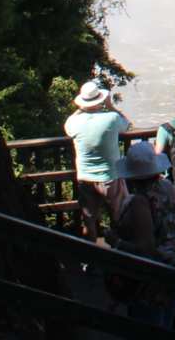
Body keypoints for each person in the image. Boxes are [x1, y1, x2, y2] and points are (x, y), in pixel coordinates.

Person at [107, 142, 175, 328]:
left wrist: (116, 242)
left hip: (152, 282)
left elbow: (145, 249)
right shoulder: (169, 188)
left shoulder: (140, 202)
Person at [64, 80, 130, 242]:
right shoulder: (112, 118)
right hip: (110, 176)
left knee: (89, 220)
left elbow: (67, 126)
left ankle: (91, 252)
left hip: (85, 176)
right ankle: (118, 250)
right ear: (100, 99)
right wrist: (111, 106)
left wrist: (80, 108)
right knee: (118, 216)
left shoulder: (74, 121)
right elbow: (127, 124)